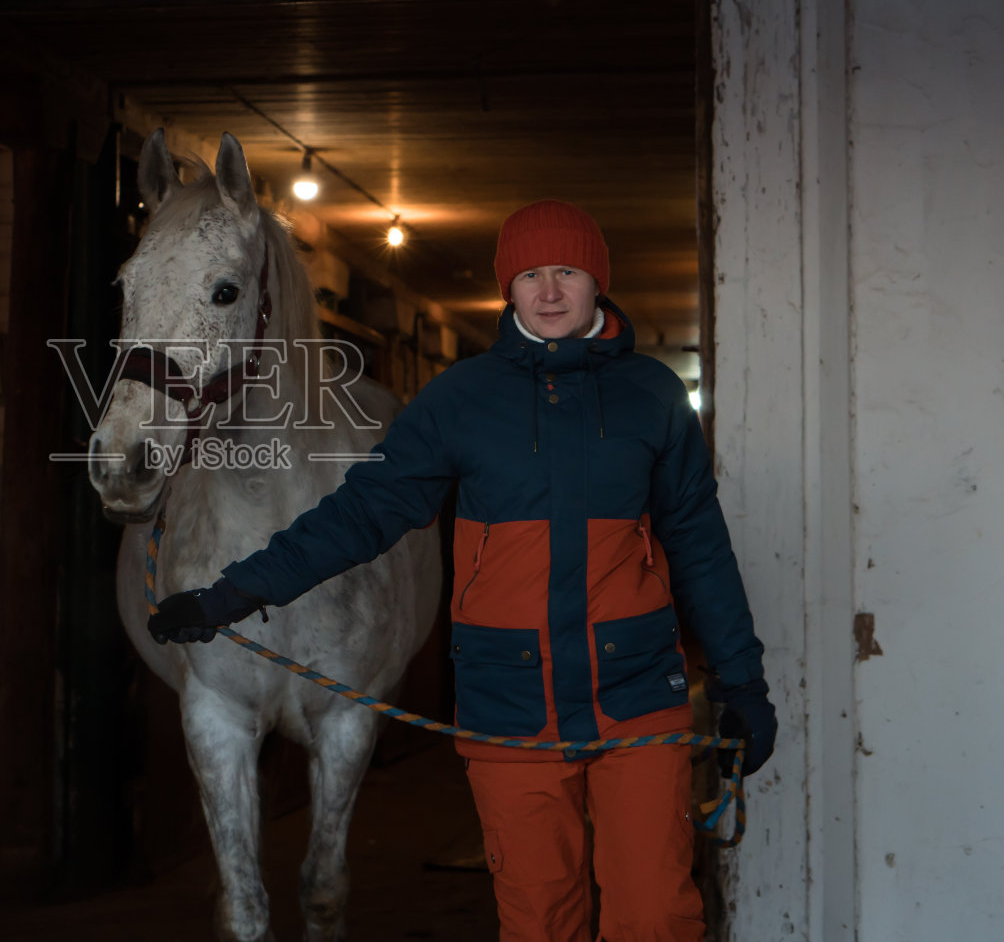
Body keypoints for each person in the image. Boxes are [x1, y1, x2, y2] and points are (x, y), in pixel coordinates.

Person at [147, 199, 777, 941]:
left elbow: (700, 544)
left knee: (656, 917)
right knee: (539, 920)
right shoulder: (460, 399)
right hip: (510, 703)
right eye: (531, 274)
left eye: (568, 272)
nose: (549, 291)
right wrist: (234, 592)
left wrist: (741, 681)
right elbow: (361, 514)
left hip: (636, 697)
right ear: (508, 288)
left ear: (596, 282)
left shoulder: (654, 396)